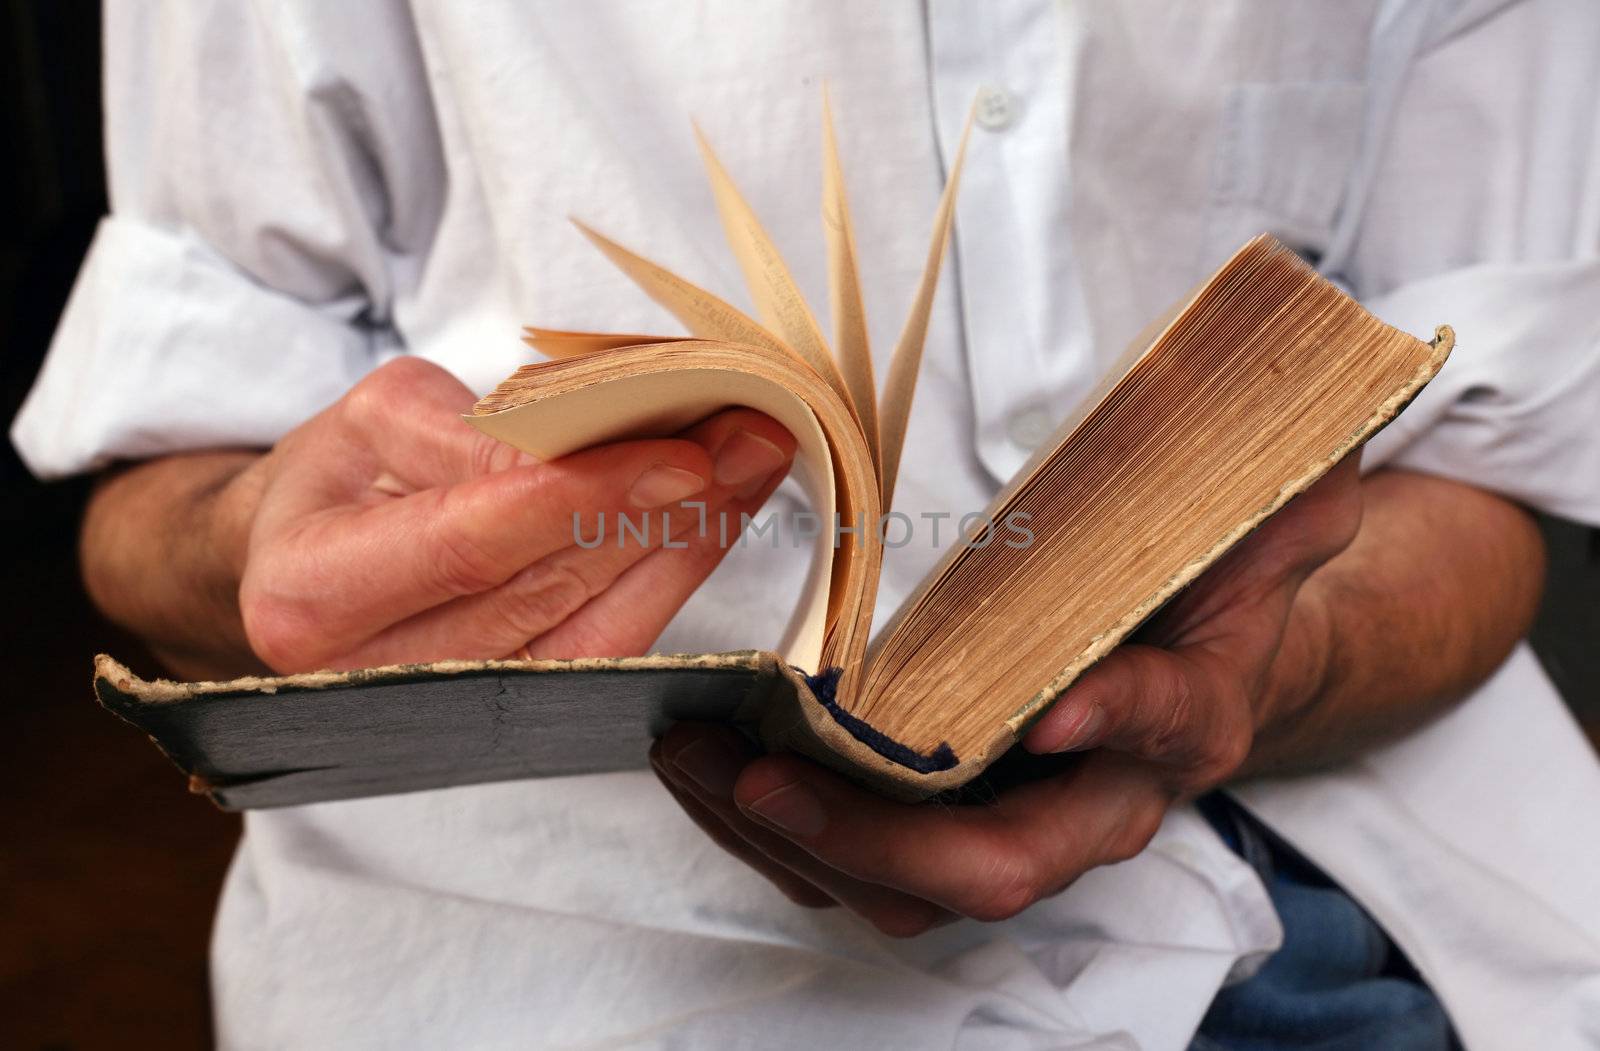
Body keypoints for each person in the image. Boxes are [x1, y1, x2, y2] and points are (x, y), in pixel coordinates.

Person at [15, 2, 1600, 1047]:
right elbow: (159, 494)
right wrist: (261, 553)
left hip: (1315, 911)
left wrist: (1269, 672)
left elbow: (1485, 487)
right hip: (539, 958)